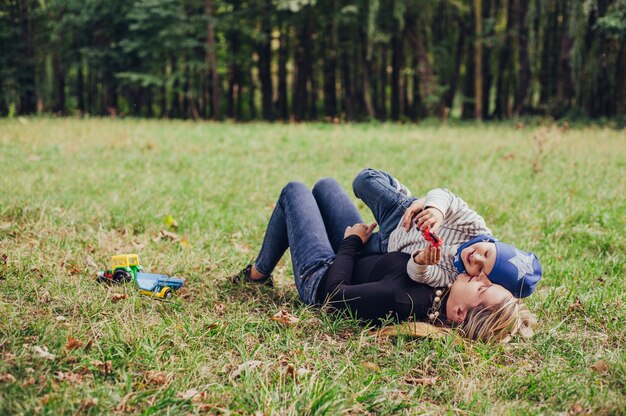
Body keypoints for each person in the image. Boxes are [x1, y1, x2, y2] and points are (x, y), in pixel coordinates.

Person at [234, 177, 535, 342]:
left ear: (459, 313)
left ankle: (259, 273)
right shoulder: (446, 284)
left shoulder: (402, 299)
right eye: (488, 280)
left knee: (294, 190)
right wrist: (421, 205)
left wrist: (351, 242)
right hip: (363, 254)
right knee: (326, 186)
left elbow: (332, 296)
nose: (480, 277)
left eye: (482, 288)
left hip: (324, 273)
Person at [351, 168, 542, 299]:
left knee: (353, 246)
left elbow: (420, 276)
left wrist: (421, 262)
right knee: (364, 180)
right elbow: (446, 195)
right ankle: (401, 191)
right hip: (402, 214)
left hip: (388, 246)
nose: (476, 258)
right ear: (493, 243)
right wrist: (436, 210)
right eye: (486, 253)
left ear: (482, 280)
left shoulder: (453, 278)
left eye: (481, 269)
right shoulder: (475, 228)